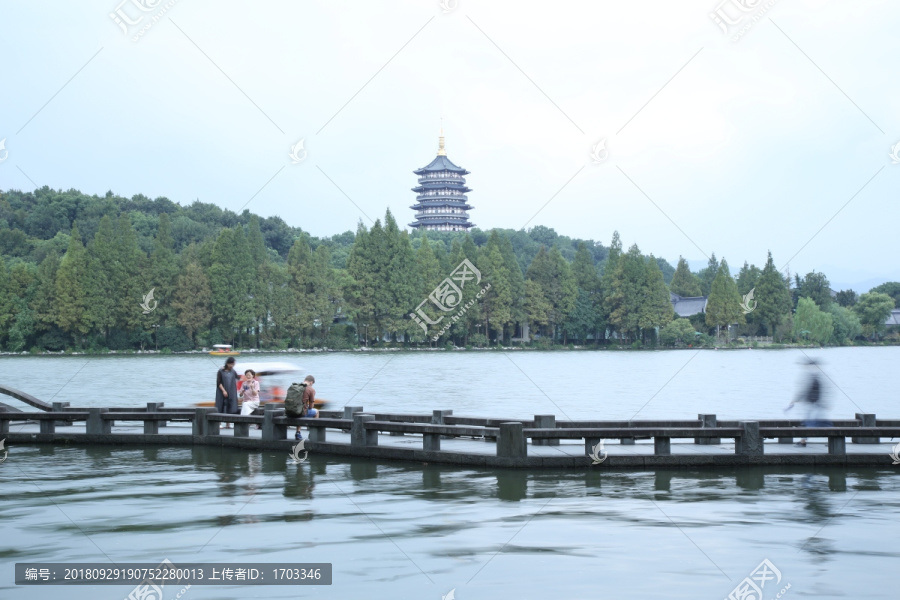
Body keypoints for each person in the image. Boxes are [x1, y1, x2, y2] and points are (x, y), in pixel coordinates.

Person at [786, 358, 830, 447]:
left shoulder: (811, 376)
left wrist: (795, 399)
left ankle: (803, 441)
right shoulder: (816, 376)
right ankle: (832, 439)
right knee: (819, 423)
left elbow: (804, 390)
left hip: (813, 404)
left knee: (810, 422)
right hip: (815, 404)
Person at [215, 357, 238, 429]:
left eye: (233, 364)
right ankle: (219, 423)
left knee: (230, 406)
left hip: (231, 391)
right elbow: (219, 382)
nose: (232, 366)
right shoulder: (221, 371)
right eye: (231, 364)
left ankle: (228, 423)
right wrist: (223, 390)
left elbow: (238, 378)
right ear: (227, 363)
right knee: (220, 406)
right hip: (222, 391)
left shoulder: (233, 371)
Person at [295, 375, 319, 441]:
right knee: (316, 412)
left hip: (291, 412)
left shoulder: (295, 386)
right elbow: (311, 406)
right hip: (301, 413)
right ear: (311, 382)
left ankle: (298, 432)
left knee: (300, 411)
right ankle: (312, 433)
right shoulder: (310, 389)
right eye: (312, 384)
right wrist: (309, 406)